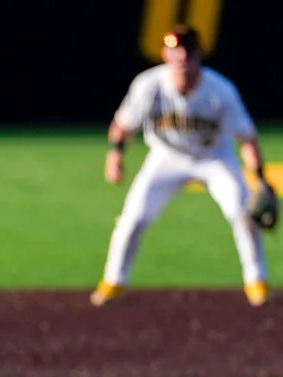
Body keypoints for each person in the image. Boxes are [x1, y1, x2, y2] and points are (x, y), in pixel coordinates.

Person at [90, 24, 271, 307]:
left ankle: (257, 280)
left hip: (214, 157)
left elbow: (247, 138)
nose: (182, 57)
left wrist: (260, 178)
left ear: (199, 54)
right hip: (167, 156)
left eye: (188, 50)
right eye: (176, 50)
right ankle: (113, 281)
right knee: (133, 217)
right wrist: (115, 155)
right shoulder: (148, 85)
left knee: (241, 211)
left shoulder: (220, 90)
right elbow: (122, 125)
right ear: (165, 53)